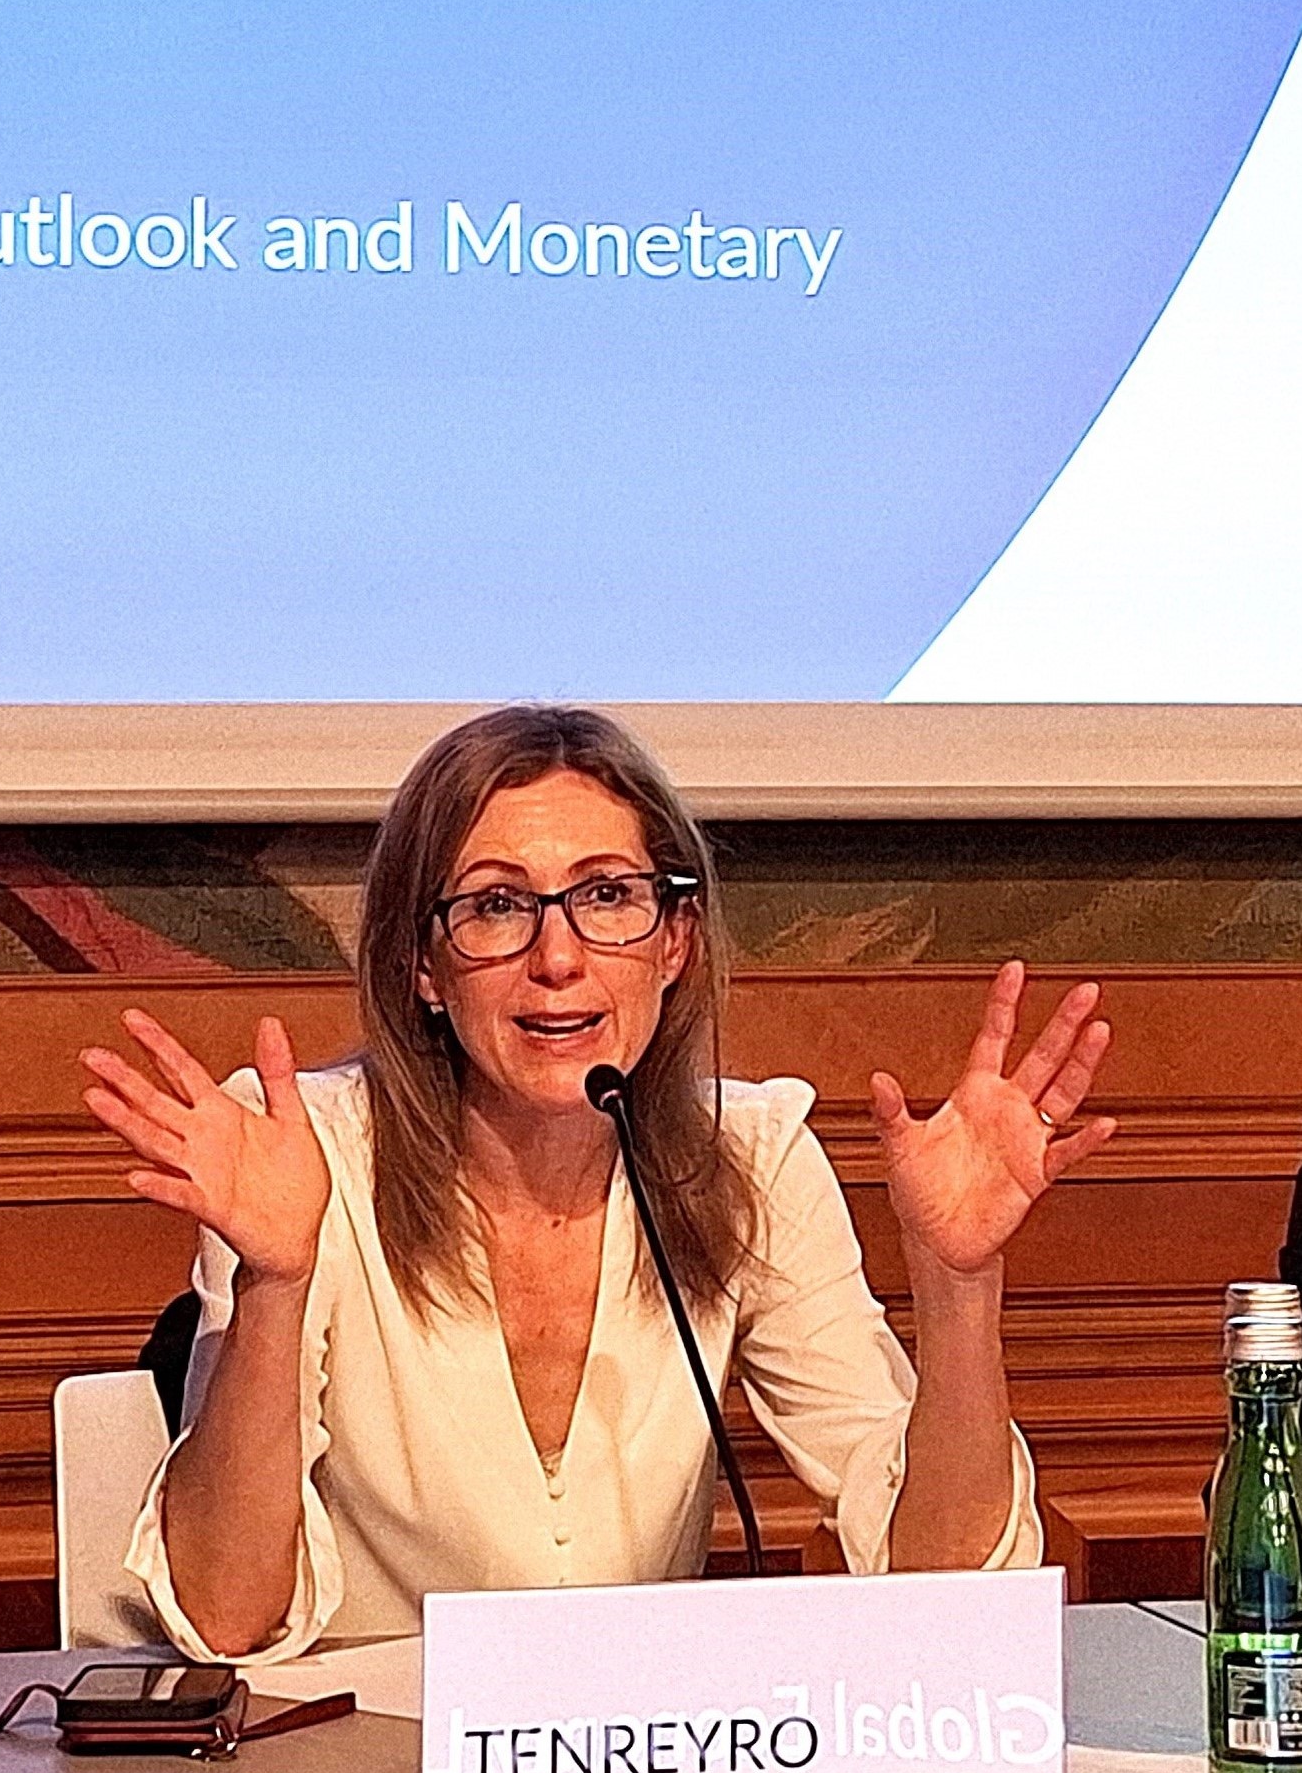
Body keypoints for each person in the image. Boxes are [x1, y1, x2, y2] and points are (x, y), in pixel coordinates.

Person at [81, 706, 1115, 1661]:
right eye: (497, 905)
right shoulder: (305, 1155)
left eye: (608, 896)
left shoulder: (750, 1157)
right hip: (358, 1767)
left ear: (674, 942)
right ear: (422, 965)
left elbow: (944, 1591)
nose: (558, 958)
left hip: (634, 1762)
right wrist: (275, 1284)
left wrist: (956, 1283)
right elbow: (225, 1617)